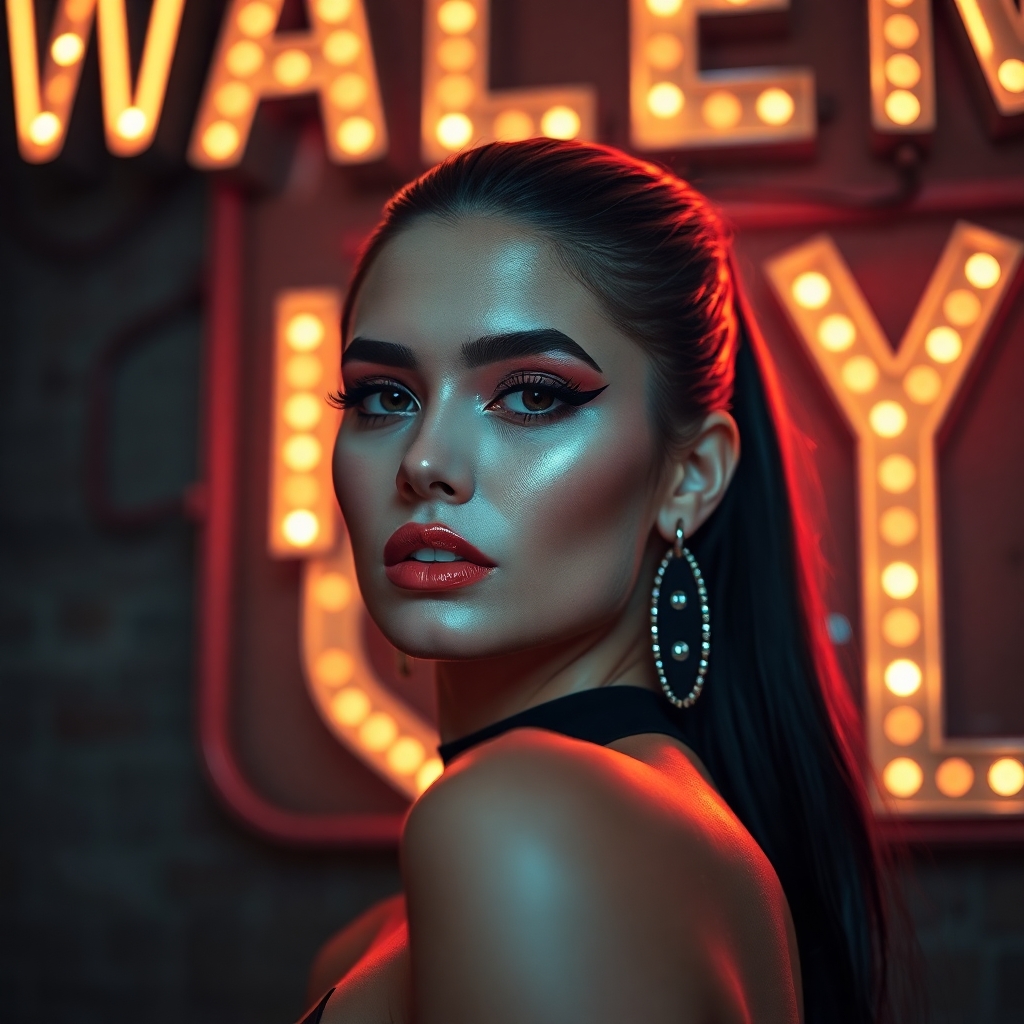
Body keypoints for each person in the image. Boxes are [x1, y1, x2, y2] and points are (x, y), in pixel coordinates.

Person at [302, 138, 899, 1024]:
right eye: (385, 395)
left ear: (689, 477)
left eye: (532, 394)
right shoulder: (434, 903)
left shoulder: (527, 831)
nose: (425, 461)